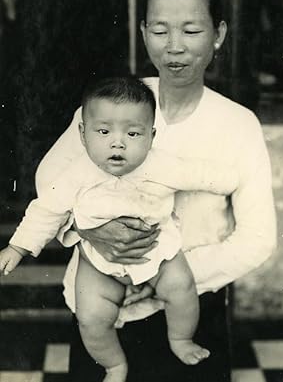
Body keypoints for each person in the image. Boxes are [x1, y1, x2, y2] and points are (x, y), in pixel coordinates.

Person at [35, 0, 277, 382]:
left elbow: (258, 238)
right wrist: (86, 229)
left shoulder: (238, 125)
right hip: (103, 308)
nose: (174, 46)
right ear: (144, 34)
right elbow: (50, 180)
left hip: (192, 308)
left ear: (218, 35)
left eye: (191, 30)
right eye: (160, 30)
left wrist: (162, 277)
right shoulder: (113, 105)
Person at [0, 76, 240, 382]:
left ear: (151, 136)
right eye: (103, 131)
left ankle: (181, 339)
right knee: (90, 317)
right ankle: (114, 364)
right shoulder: (75, 175)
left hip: (157, 254)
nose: (118, 142)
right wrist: (18, 247)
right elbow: (45, 210)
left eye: (133, 133)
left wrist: (229, 179)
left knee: (182, 288)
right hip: (98, 264)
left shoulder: (162, 165)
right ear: (83, 134)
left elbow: (200, 174)